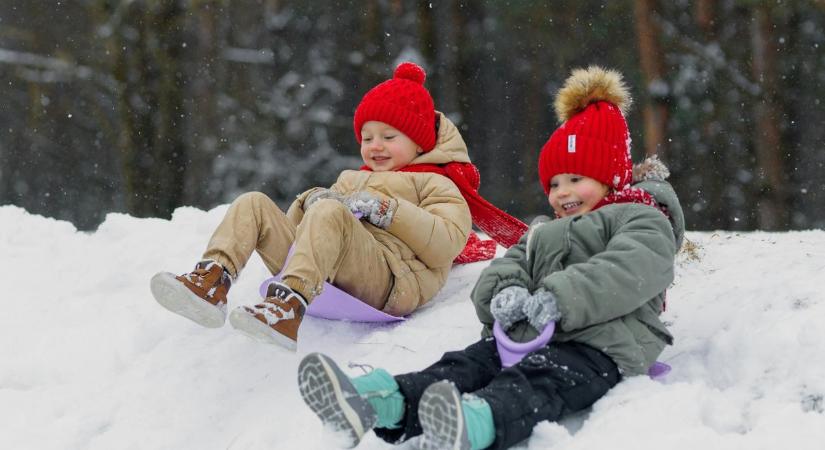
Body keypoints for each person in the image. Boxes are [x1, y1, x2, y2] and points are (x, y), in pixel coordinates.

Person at [296, 66, 685, 449]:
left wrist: (557, 298)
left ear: (611, 176)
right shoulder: (545, 233)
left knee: (534, 382)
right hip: (526, 336)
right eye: (554, 183)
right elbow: (507, 265)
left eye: (576, 179)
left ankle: (476, 421)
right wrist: (504, 292)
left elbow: (628, 270)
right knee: (464, 365)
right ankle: (382, 402)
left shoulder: (642, 218)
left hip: (601, 348)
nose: (563, 193)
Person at [150, 61, 526, 351]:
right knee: (255, 203)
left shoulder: (439, 183)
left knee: (331, 212)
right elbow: (307, 232)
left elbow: (447, 243)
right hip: (331, 271)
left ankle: (284, 309)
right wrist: (310, 200)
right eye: (367, 137)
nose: (375, 146)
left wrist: (387, 210)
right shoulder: (351, 179)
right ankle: (211, 281)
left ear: (419, 142)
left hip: (391, 280)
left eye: (389, 137)